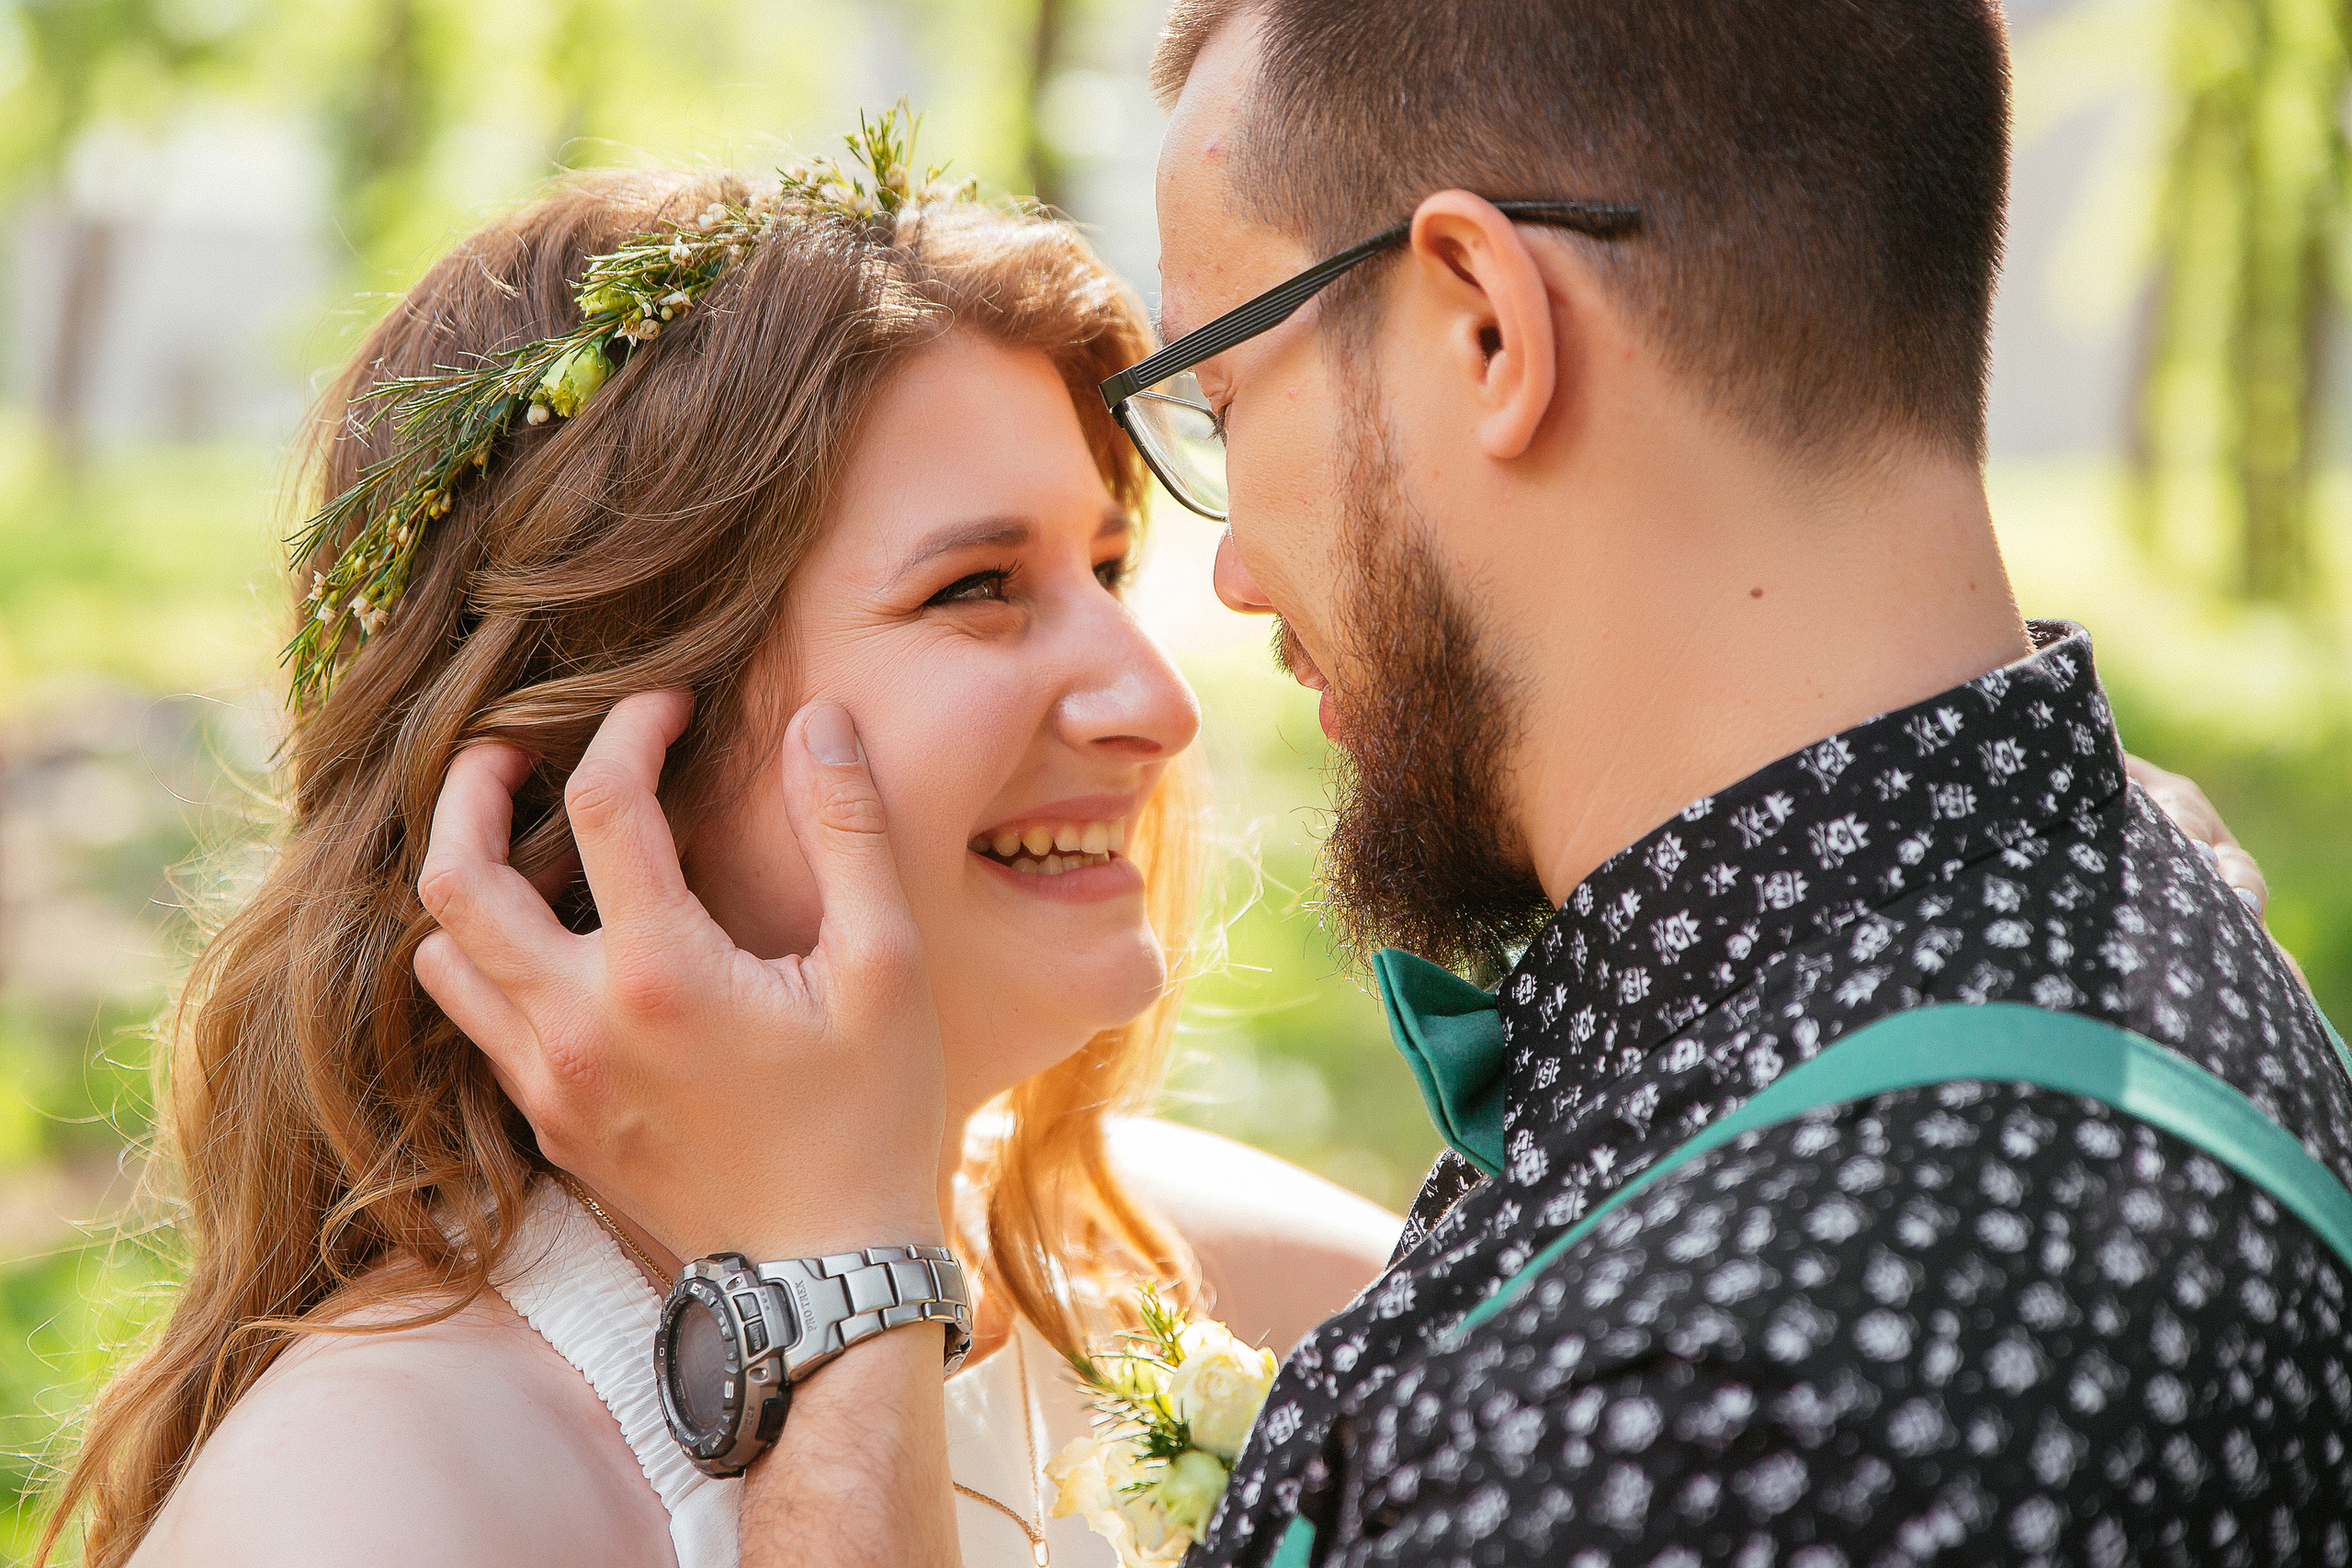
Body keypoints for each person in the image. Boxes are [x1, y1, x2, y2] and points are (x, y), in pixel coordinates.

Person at [413, 6, 2349, 1568]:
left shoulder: (1702, 1412)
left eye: (1225, 397)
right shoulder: (2105, 925)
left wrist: (830, 1305)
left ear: (1486, 328)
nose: (1221, 584)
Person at [43, 156, 1400, 1568]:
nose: (1157, 704)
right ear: (609, 763)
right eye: (977, 588)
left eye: (1106, 575)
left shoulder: (1205, 1277)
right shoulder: (376, 1492)